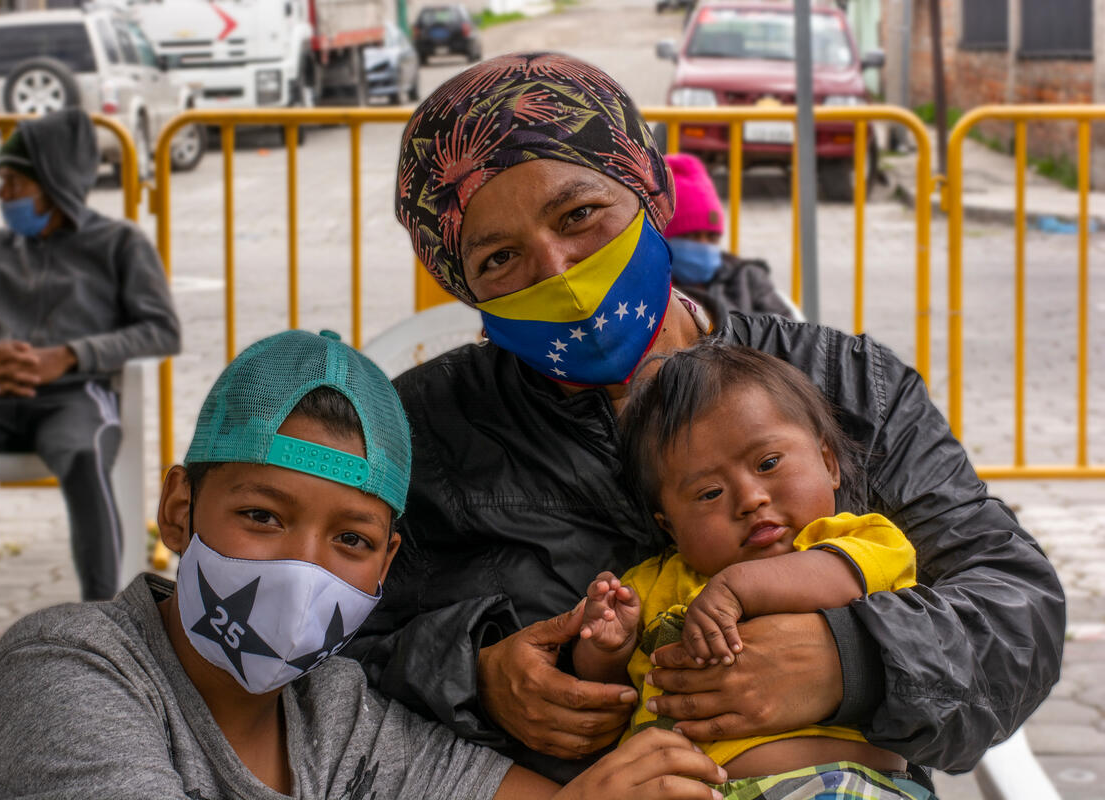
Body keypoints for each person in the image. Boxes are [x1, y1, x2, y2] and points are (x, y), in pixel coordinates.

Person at [348, 51, 1065, 786]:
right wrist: (468, 674)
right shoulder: (417, 433)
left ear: (649, 190)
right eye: (500, 258)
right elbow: (312, 669)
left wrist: (847, 660)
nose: (559, 271)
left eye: (581, 215)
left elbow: (1016, 609)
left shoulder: (849, 385)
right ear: (462, 284)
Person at [0, 329, 727, 799]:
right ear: (179, 509)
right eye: (261, 516)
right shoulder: (69, 666)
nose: (300, 568)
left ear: (386, 564)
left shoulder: (336, 713)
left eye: (349, 540)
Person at [573, 341, 929, 799]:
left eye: (768, 464)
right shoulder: (652, 583)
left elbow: (840, 579)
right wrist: (605, 649)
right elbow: (614, 698)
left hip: (844, 786)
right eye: (708, 493)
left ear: (828, 462)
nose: (749, 499)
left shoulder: (857, 540)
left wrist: (737, 587)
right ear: (670, 526)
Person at [0, 109, 180, 601]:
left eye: (13, 181)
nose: (1, 193)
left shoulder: (119, 245)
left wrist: (72, 356)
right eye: (1, 180)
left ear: (54, 184)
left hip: (76, 396)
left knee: (83, 455)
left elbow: (161, 330)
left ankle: (103, 625)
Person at [662, 153, 794, 319]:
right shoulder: (651, 292)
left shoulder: (747, 278)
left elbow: (791, 337)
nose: (704, 245)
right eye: (693, 237)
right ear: (665, 238)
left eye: (712, 237)